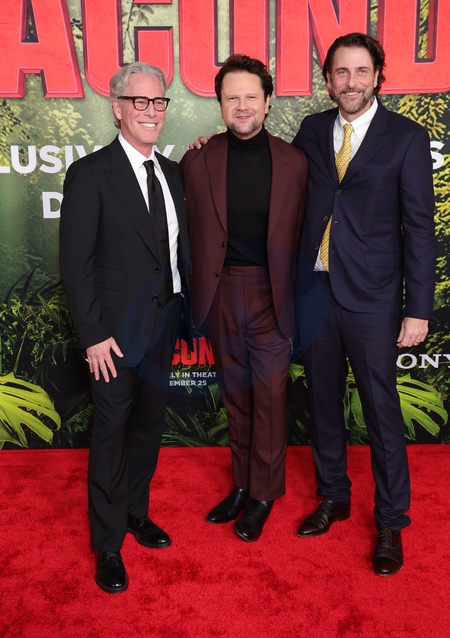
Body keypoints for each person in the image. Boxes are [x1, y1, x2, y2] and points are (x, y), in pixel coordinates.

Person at [293, 33, 436, 575]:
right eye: (340, 72)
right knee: (323, 402)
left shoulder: (406, 137)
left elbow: (419, 228)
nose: (350, 82)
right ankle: (334, 495)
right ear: (328, 80)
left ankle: (391, 520)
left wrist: (417, 308)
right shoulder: (311, 130)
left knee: (380, 409)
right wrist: (208, 148)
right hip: (315, 290)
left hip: (374, 298)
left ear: (378, 76)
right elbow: (278, 178)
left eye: (360, 71)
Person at [60, 62, 190, 593]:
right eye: (140, 102)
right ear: (117, 107)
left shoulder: (173, 173)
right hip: (112, 335)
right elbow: (76, 265)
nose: (151, 111)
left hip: (164, 323)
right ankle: (108, 543)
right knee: (112, 431)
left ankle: (137, 512)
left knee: (148, 427)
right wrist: (93, 335)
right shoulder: (90, 174)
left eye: (158, 102)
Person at [180, 55, 308, 542]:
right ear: (219, 104)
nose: (242, 105)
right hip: (221, 291)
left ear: (268, 101)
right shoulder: (197, 160)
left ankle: (263, 494)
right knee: (235, 395)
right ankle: (241, 485)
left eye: (251, 96)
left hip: (273, 293)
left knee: (269, 396)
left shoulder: (295, 163)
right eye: (231, 97)